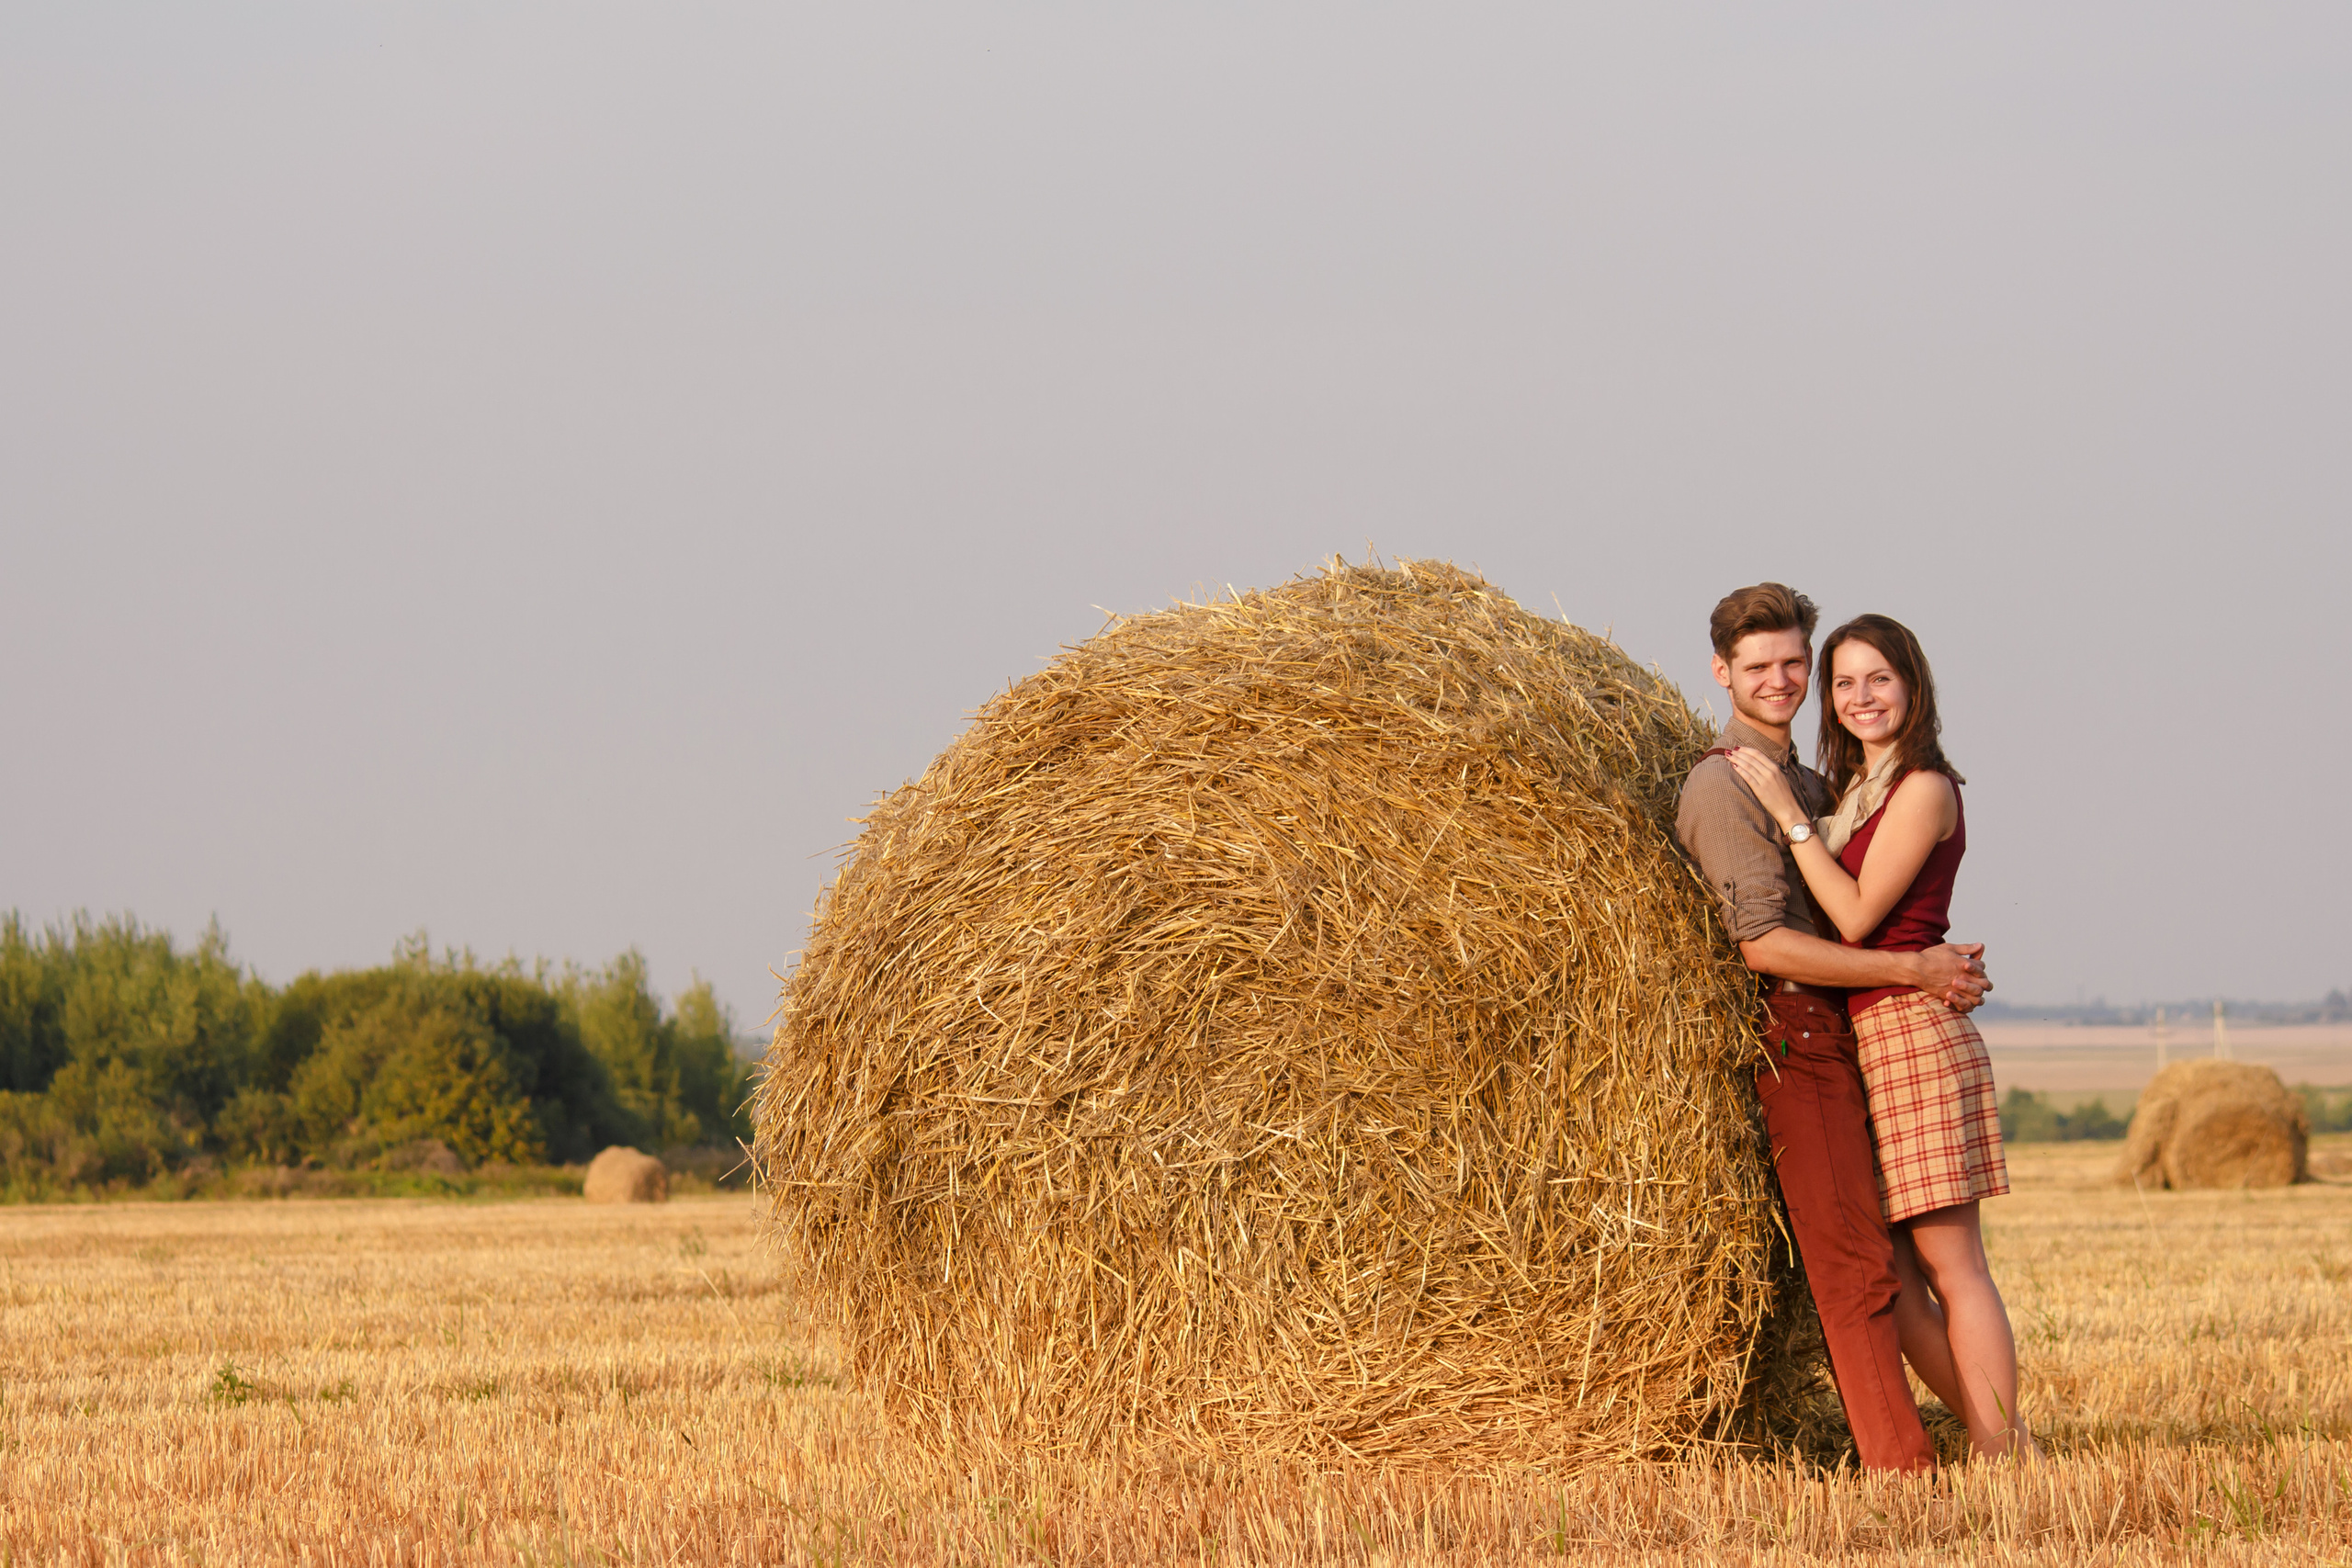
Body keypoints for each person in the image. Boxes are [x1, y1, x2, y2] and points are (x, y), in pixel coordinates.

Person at [1676, 583, 1992, 1476]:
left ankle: (2000, 1441)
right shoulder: (1724, 783)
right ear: (1721, 673)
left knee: (1893, 1258)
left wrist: (1929, 960)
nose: (1778, 681)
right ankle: (1905, 1469)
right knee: (1856, 1265)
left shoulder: (1815, 785)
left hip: (1853, 1035)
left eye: (1790, 664)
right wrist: (1911, 968)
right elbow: (1763, 944)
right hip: (1796, 1034)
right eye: (1756, 666)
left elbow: (1870, 904)